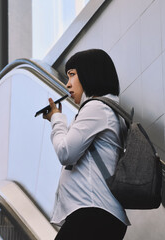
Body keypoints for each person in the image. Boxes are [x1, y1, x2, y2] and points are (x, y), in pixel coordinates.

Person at [43, 49, 130, 240]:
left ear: (90, 73)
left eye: (72, 75)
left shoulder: (96, 108)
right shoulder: (108, 109)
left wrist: (56, 119)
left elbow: (66, 152)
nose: (67, 84)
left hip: (92, 212)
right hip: (98, 213)